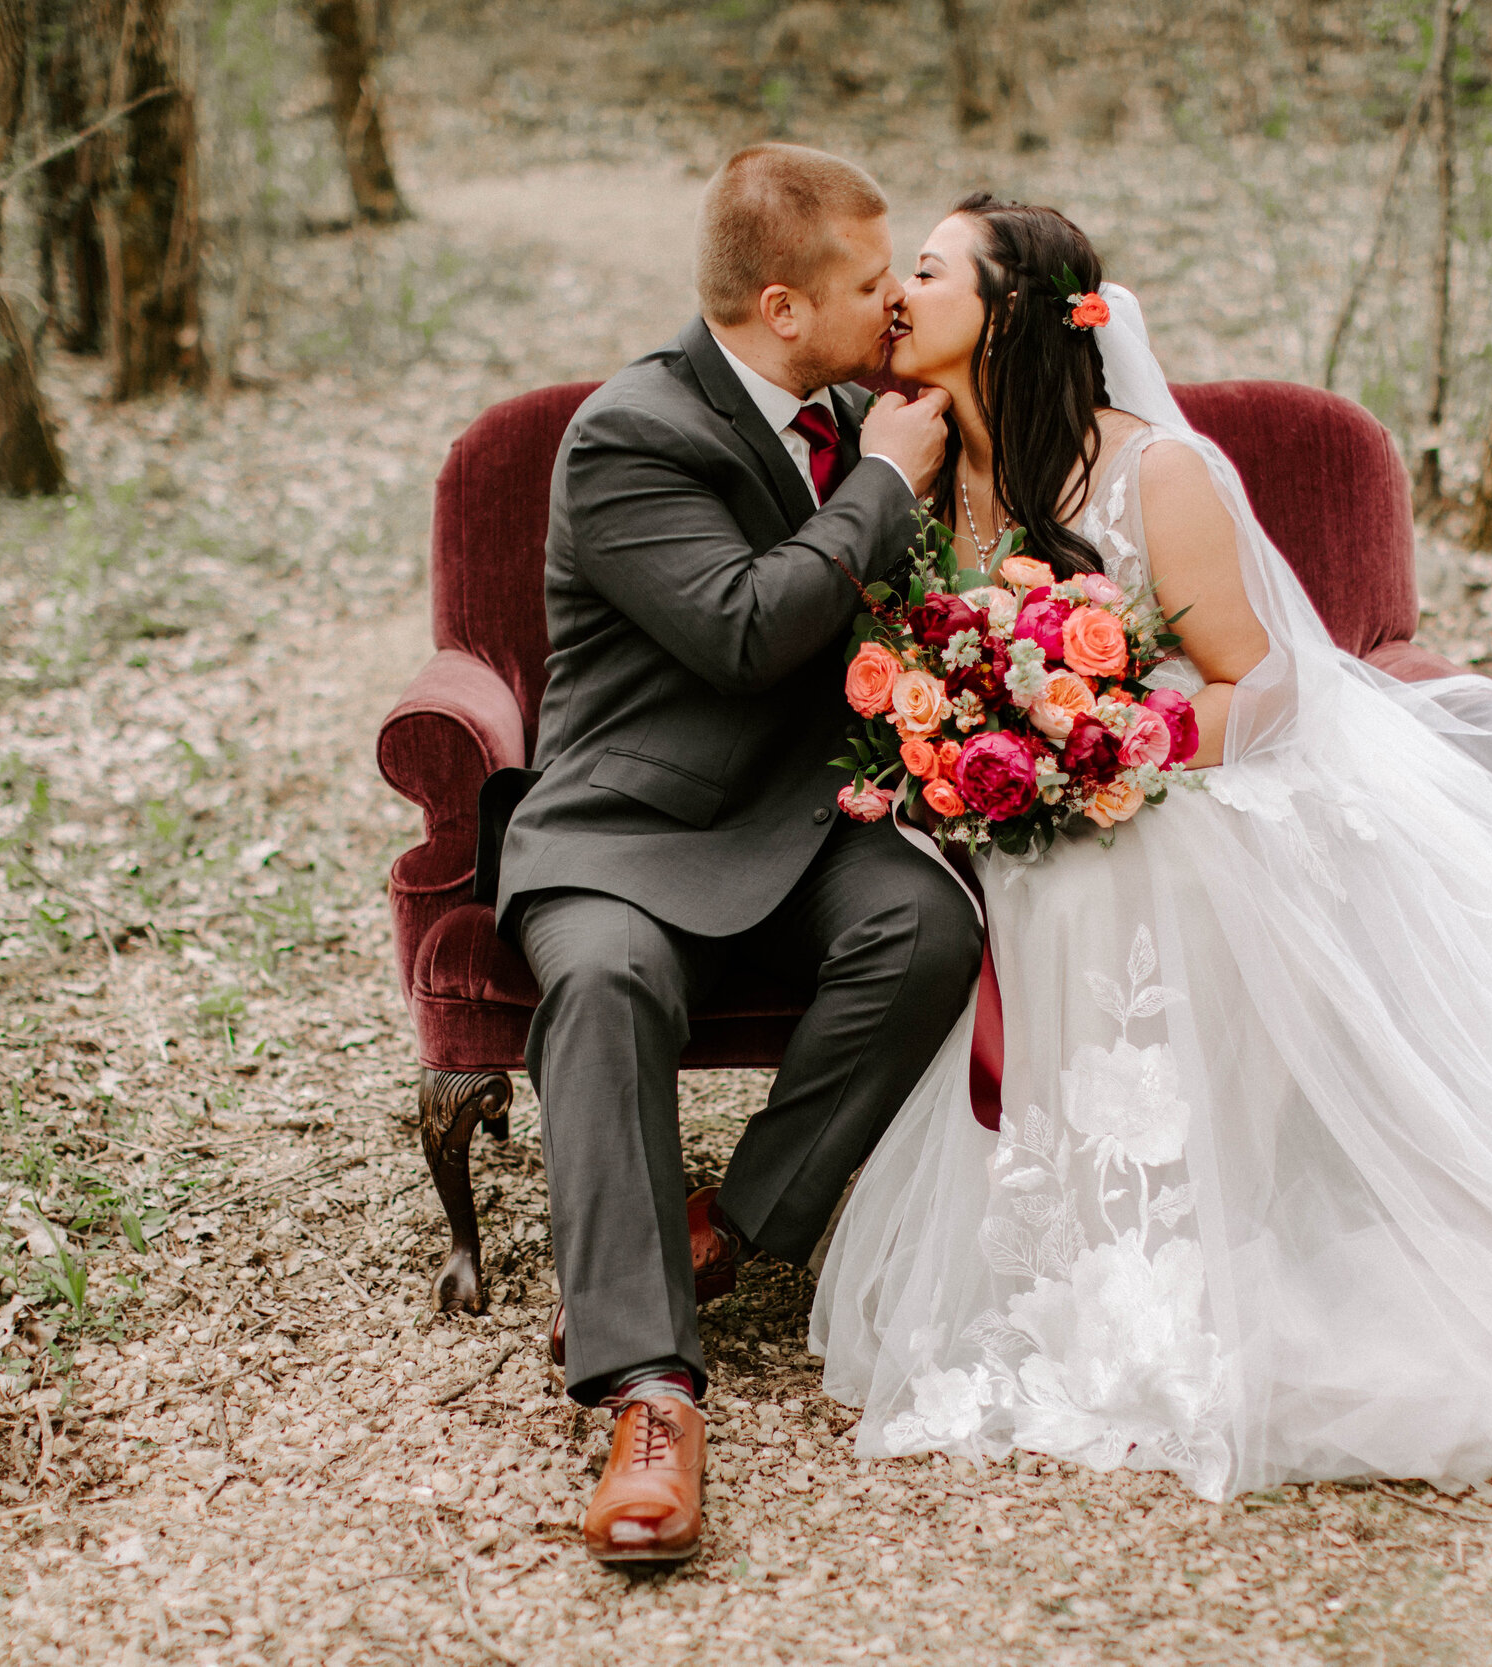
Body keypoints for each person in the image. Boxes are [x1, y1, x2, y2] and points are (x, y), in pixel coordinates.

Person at [808, 194, 1492, 1500]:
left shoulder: (1150, 474)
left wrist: (1106, 753)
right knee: (1025, 887)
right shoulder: (917, 467)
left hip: (1173, 789)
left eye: (930, 271)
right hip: (1017, 808)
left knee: (1126, 876)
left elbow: (1262, 685)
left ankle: (1191, 1258)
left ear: (1006, 315)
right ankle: (1063, 1262)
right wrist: (971, 752)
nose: (898, 292)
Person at [486, 145, 981, 1563]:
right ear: (781, 306)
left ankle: (729, 1222)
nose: (895, 310)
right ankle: (648, 1392)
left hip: (801, 810)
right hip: (626, 826)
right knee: (603, 986)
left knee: (930, 932)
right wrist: (882, 483)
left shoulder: (838, 405)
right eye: (871, 285)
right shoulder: (630, 432)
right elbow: (745, 626)